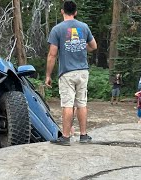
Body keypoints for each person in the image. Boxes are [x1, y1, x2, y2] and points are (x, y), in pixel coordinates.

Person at [45, 0, 97, 146]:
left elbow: (52, 54)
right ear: (75, 12)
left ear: (62, 11)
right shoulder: (84, 27)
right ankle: (84, 135)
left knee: (67, 104)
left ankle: (66, 137)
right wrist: (80, 45)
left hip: (67, 72)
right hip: (83, 71)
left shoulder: (57, 29)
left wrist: (48, 75)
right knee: (82, 103)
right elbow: (93, 46)